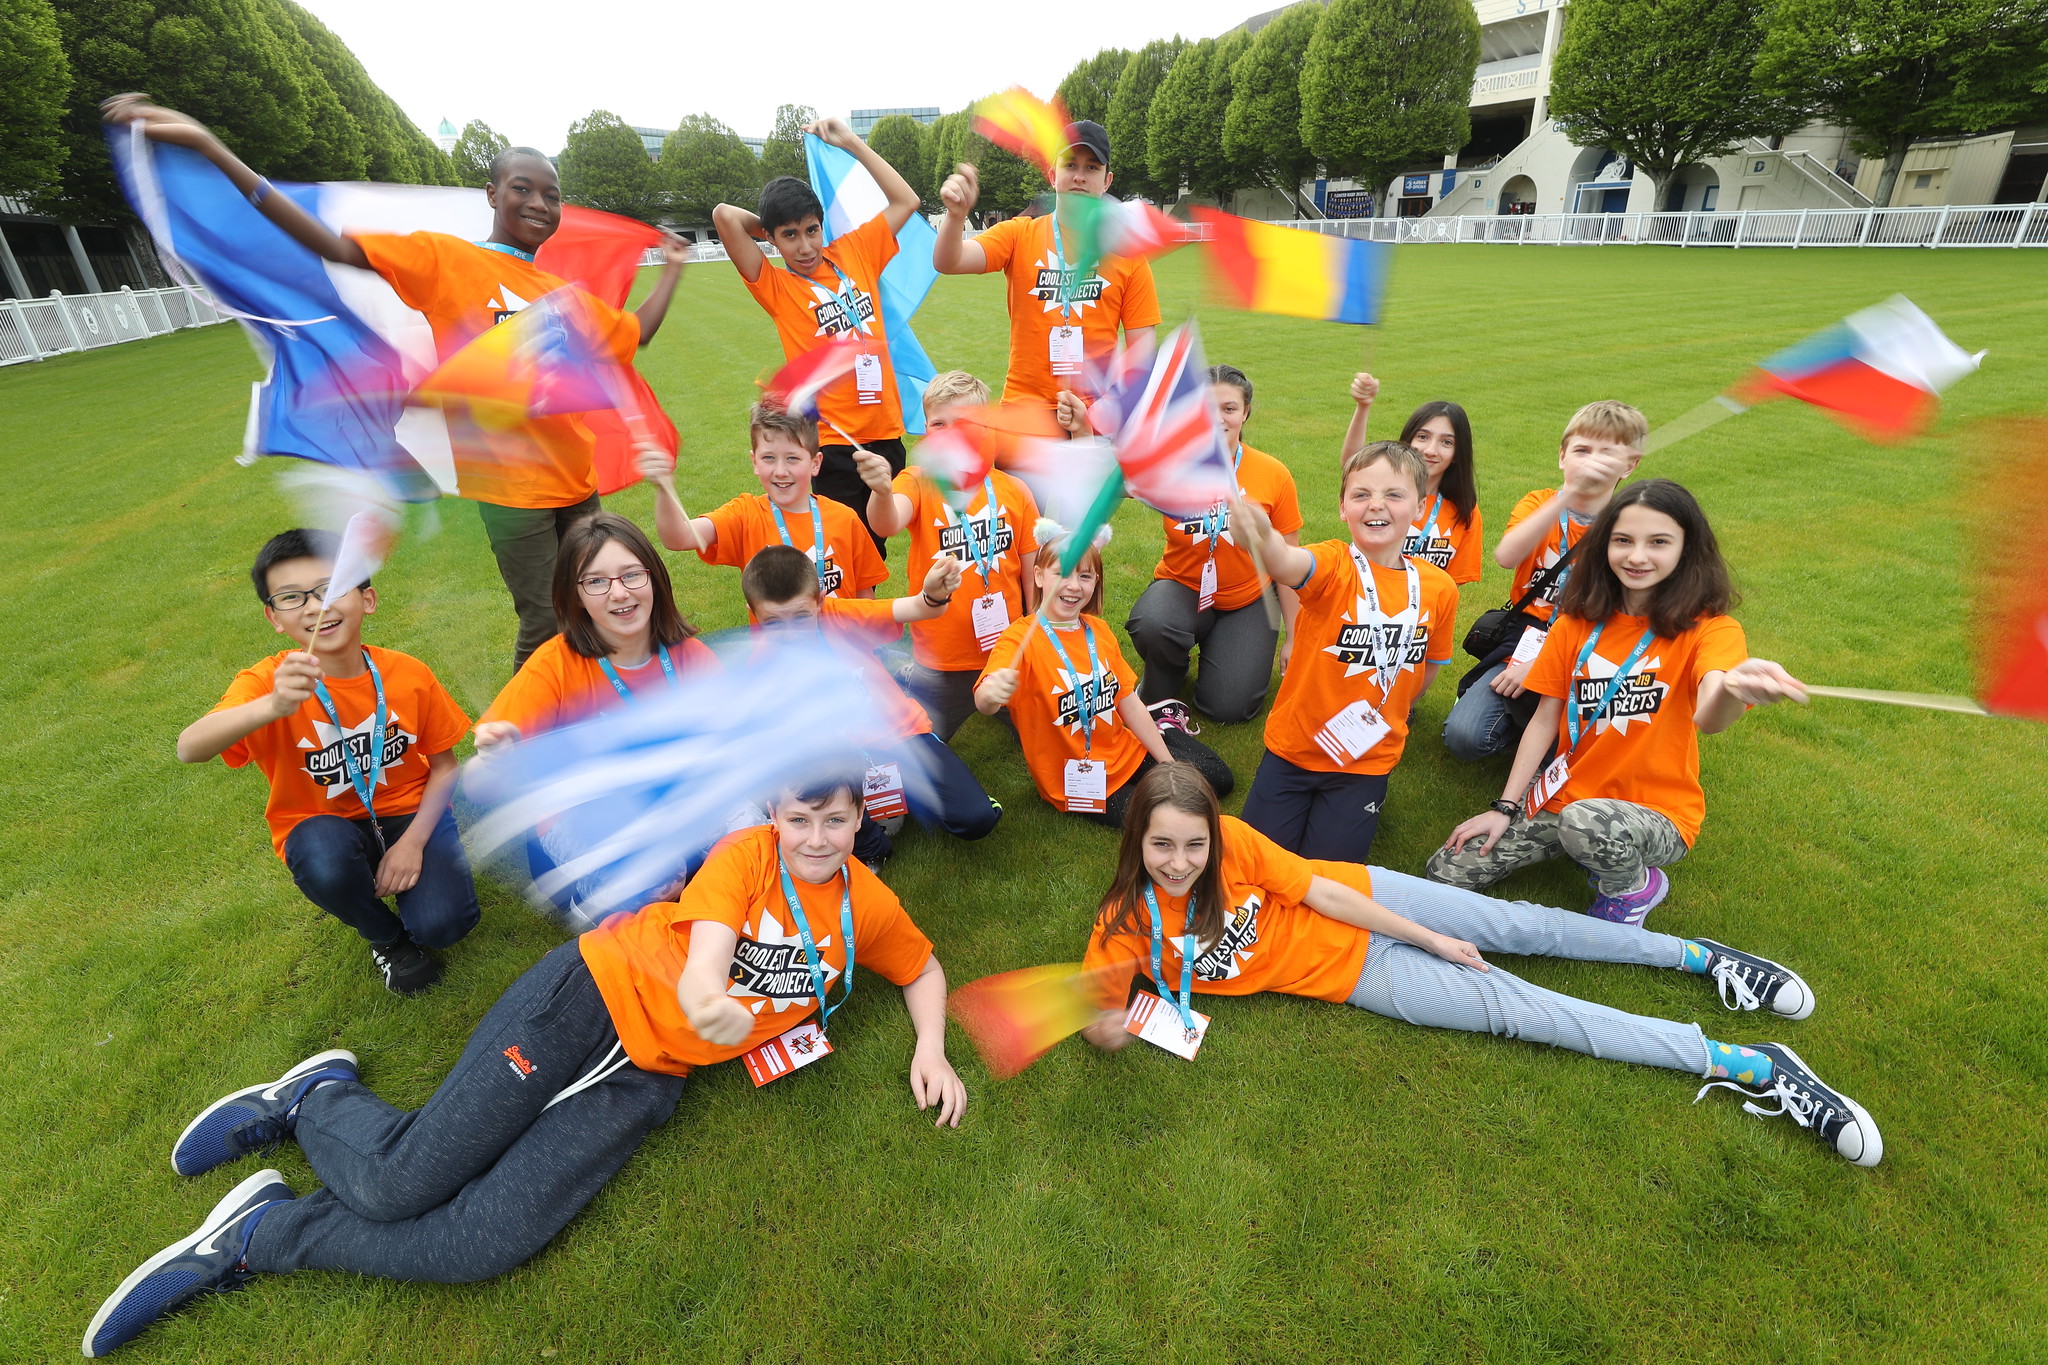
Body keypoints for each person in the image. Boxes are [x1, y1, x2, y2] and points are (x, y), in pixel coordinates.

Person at [84, 777, 967, 1359]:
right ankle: (317, 1097)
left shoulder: (869, 902)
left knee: (482, 1242)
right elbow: (707, 961)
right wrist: (708, 1002)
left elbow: (920, 966)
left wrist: (931, 1047)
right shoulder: (744, 857)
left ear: (863, 816)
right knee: (399, 1185)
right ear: (774, 811)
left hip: (644, 1082)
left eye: (836, 818)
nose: (816, 836)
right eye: (799, 816)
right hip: (589, 997)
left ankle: (256, 1236)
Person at [102, 96, 691, 673]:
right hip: (512, 491)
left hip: (577, 481)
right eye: (523, 188)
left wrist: (670, 268)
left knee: (594, 609)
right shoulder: (445, 260)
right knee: (544, 623)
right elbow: (329, 244)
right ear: (492, 193)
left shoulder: (564, 297)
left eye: (551, 196)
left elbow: (635, 333)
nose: (539, 203)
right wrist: (211, 148)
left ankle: (597, 701)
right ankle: (528, 734)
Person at [1073, 764, 1880, 1166]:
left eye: (1194, 843)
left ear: (1214, 837)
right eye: (1162, 845)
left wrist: (1429, 934)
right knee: (1522, 1010)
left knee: (1519, 924)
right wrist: (1109, 1026)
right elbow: (1097, 1009)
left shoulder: (1239, 843)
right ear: (1134, 843)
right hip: (1358, 978)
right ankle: (1752, 1062)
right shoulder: (1121, 927)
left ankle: (1701, 956)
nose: (1180, 861)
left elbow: (1328, 894)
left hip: (1369, 899)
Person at [1429, 479, 1808, 924]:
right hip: (1567, 798)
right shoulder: (1574, 623)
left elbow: (1711, 716)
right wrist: (1505, 809)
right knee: (1446, 871)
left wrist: (1734, 688)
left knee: (1585, 823)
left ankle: (1634, 887)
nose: (1637, 556)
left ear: (1687, 549)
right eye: (1623, 540)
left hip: (1658, 814)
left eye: (1659, 542)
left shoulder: (1712, 629)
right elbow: (1544, 720)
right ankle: (1583, 845)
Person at [176, 530, 477, 997]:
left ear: (368, 599)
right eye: (292, 597)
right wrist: (271, 706)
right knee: (324, 857)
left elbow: (445, 767)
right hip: (324, 825)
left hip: (408, 815)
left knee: (444, 926)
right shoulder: (268, 683)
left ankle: (407, 886)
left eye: (331, 588)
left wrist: (413, 843)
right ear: (274, 617)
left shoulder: (408, 674)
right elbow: (189, 747)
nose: (316, 607)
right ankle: (386, 938)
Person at [474, 512, 721, 921]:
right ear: (576, 596)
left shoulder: (690, 656)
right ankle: (596, 905)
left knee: (750, 834)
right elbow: (479, 787)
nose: (619, 593)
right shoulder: (553, 664)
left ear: (654, 578)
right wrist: (495, 759)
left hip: (671, 796)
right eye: (596, 581)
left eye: (631, 575)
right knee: (648, 883)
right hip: (588, 814)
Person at [1234, 442, 1459, 861]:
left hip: (1367, 760)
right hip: (1294, 749)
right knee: (1258, 864)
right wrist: (1261, 533)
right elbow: (1284, 562)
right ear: (1342, 508)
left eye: (1394, 494)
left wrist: (1391, 704)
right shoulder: (1334, 562)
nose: (1377, 505)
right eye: (1361, 495)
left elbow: (1430, 666)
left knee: (1331, 875)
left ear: (1419, 506)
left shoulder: (1439, 588)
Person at [715, 117, 922, 549]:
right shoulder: (777, 287)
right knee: (842, 553)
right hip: (831, 443)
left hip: (885, 433)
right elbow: (724, 216)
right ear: (772, 240)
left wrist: (851, 143)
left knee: (878, 547)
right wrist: (771, 224)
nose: (805, 246)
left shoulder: (855, 252)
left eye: (811, 230)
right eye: (789, 236)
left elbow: (906, 199)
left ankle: (869, 615)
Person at [745, 545, 1001, 865]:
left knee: (977, 819)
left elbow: (919, 608)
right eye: (774, 623)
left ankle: (901, 797)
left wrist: (932, 594)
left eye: (800, 616)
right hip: (838, 760)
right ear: (754, 613)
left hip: (899, 736)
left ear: (820, 600)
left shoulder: (840, 615)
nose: (791, 633)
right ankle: (870, 835)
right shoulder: (762, 662)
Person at [975, 521, 1233, 825]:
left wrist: (1167, 763)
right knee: (1161, 818)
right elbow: (984, 699)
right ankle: (1163, 730)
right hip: (1078, 781)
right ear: (1039, 575)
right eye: (1062, 573)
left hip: (1126, 752)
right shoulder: (1019, 639)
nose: (1073, 586)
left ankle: (1164, 727)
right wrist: (991, 694)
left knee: (1219, 778)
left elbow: (1127, 701)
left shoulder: (1098, 631)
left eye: (1084, 576)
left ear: (1096, 580)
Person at [1442, 400, 1643, 763]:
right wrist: (1569, 495)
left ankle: (1544, 731)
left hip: (1592, 642)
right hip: (1526, 634)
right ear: (1562, 457)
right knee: (1464, 738)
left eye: (1607, 453)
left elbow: (1624, 614)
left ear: (1630, 465)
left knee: (1584, 754)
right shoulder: (1539, 502)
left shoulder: (1632, 523)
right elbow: (1507, 557)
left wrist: (1545, 666)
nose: (1591, 461)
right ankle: (1523, 722)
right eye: (1582, 450)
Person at [931, 120, 1160, 409]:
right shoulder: (1018, 234)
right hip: (1025, 416)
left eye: (1091, 168)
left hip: (1095, 417)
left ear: (1107, 181)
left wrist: (1107, 410)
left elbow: (1142, 352)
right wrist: (955, 216)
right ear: (1053, 175)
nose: (1079, 176)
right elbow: (948, 261)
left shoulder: (1127, 253)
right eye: (1070, 165)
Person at [865, 371, 1042, 739]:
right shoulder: (917, 480)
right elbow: (887, 523)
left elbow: (1031, 572)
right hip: (940, 660)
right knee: (919, 750)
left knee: (1047, 730)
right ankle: (909, 674)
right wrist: (881, 492)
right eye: (938, 424)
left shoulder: (1013, 489)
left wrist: (1036, 634)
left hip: (1007, 653)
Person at [1124, 363, 1304, 726]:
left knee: (1228, 708)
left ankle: (1223, 657)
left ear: (1246, 412)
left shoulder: (1273, 473)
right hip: (1183, 587)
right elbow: (1114, 480)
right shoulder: (1168, 467)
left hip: (1248, 597)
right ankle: (1169, 670)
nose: (1218, 418)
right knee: (1153, 623)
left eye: (1229, 408)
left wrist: (1294, 637)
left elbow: (1290, 561)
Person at [642, 405, 887, 613]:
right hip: (775, 662)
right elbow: (678, 537)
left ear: (815, 463)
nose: (780, 471)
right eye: (769, 458)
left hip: (841, 656)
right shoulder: (745, 515)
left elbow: (865, 596)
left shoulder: (845, 518)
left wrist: (864, 644)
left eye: (792, 458)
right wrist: (664, 489)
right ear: (754, 462)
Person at [1341, 374, 1484, 586]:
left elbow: (1450, 587)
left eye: (1446, 442)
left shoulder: (1465, 512)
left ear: (1457, 453)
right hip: (1365, 601)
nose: (1430, 450)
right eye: (1423, 437)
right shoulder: (1384, 493)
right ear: (1408, 439)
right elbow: (1352, 466)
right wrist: (1363, 407)